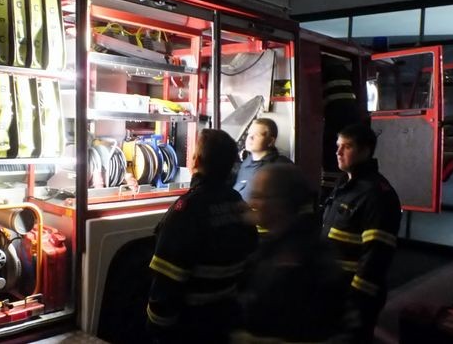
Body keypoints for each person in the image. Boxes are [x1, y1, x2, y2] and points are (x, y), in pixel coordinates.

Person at [147, 129, 258, 343]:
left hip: (191, 326)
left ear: (196, 161)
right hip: (223, 321)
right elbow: (250, 259)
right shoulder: (238, 203)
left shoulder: (186, 211)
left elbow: (166, 283)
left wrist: (157, 331)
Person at [235, 164, 346, 343]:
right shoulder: (273, 246)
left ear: (281, 204)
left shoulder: (300, 259)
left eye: (259, 197)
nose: (252, 203)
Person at [321, 123, 402, 343]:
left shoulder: (376, 194)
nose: (338, 152)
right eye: (338, 146)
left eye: (346, 147)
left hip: (352, 294)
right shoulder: (344, 184)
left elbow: (377, 254)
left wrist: (356, 299)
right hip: (333, 287)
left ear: (365, 151)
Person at [233, 118, 292, 202]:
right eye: (249, 133)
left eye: (256, 135)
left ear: (271, 141)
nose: (250, 137)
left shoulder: (282, 167)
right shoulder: (245, 165)